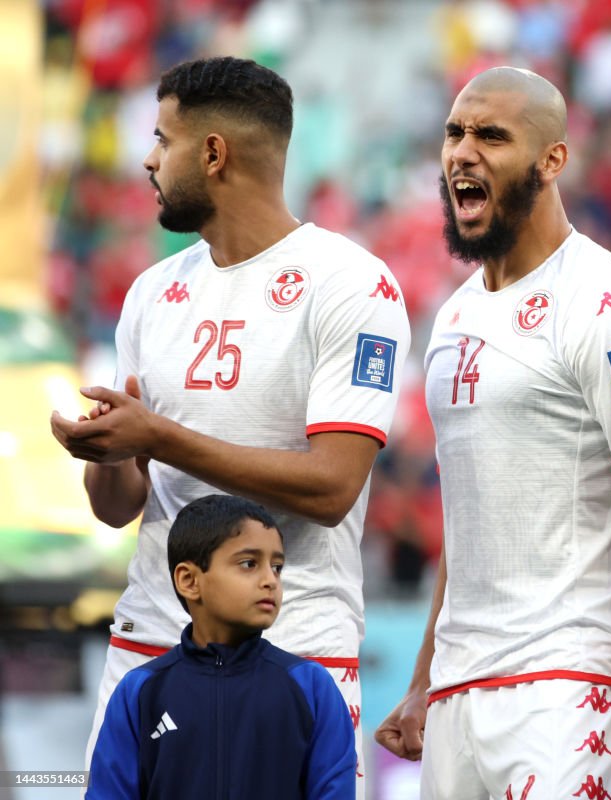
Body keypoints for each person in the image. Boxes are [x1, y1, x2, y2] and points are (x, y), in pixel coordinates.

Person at [50, 57, 410, 793]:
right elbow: (118, 507)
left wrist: (157, 436)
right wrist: (110, 451)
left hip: (297, 652)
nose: (148, 159)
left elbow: (334, 486)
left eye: (163, 139)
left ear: (213, 154)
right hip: (149, 648)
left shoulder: (351, 284)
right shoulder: (154, 293)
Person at [374, 67, 611, 798]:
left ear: (552, 160)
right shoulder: (456, 315)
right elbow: (471, 522)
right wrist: (426, 676)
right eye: (455, 133)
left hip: (572, 680)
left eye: (491, 135)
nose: (463, 151)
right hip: (462, 690)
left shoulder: (600, 304)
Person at [87, 494, 357, 800]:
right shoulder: (141, 691)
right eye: (248, 563)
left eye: (277, 567)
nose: (270, 580)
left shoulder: (311, 687)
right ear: (189, 580)